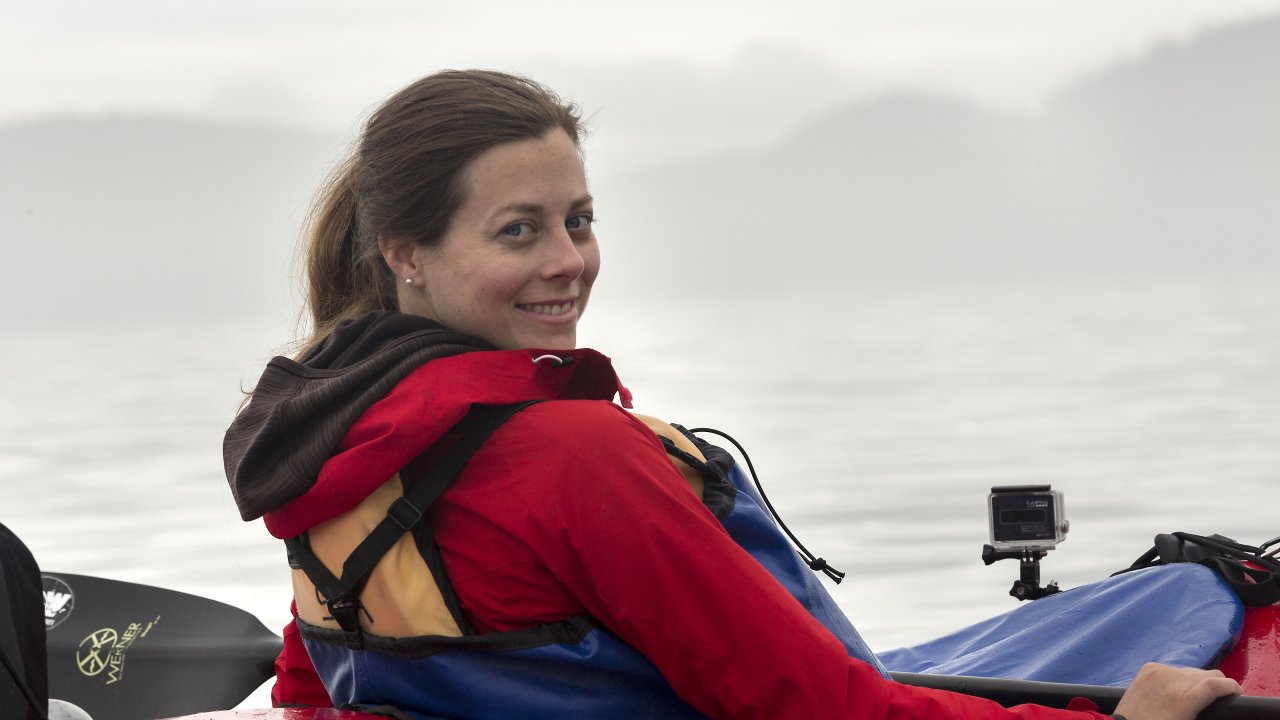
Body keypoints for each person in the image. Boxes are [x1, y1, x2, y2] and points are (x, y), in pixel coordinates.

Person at [223, 69, 1239, 720]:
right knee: (1201, 609)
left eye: (578, 219)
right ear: (405, 253)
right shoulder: (572, 459)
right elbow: (823, 716)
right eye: (517, 231)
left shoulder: (329, 437)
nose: (568, 262)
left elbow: (314, 685)